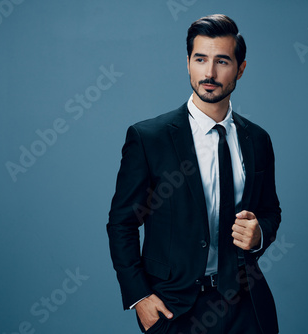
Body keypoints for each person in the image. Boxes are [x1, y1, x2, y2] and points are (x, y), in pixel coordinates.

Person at [107, 14, 281, 334]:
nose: (209, 73)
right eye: (200, 59)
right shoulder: (150, 138)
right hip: (174, 309)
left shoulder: (257, 139)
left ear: (240, 69)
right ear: (188, 63)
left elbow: (270, 211)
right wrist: (140, 297)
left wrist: (259, 235)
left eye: (222, 61)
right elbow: (122, 223)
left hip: (246, 306)